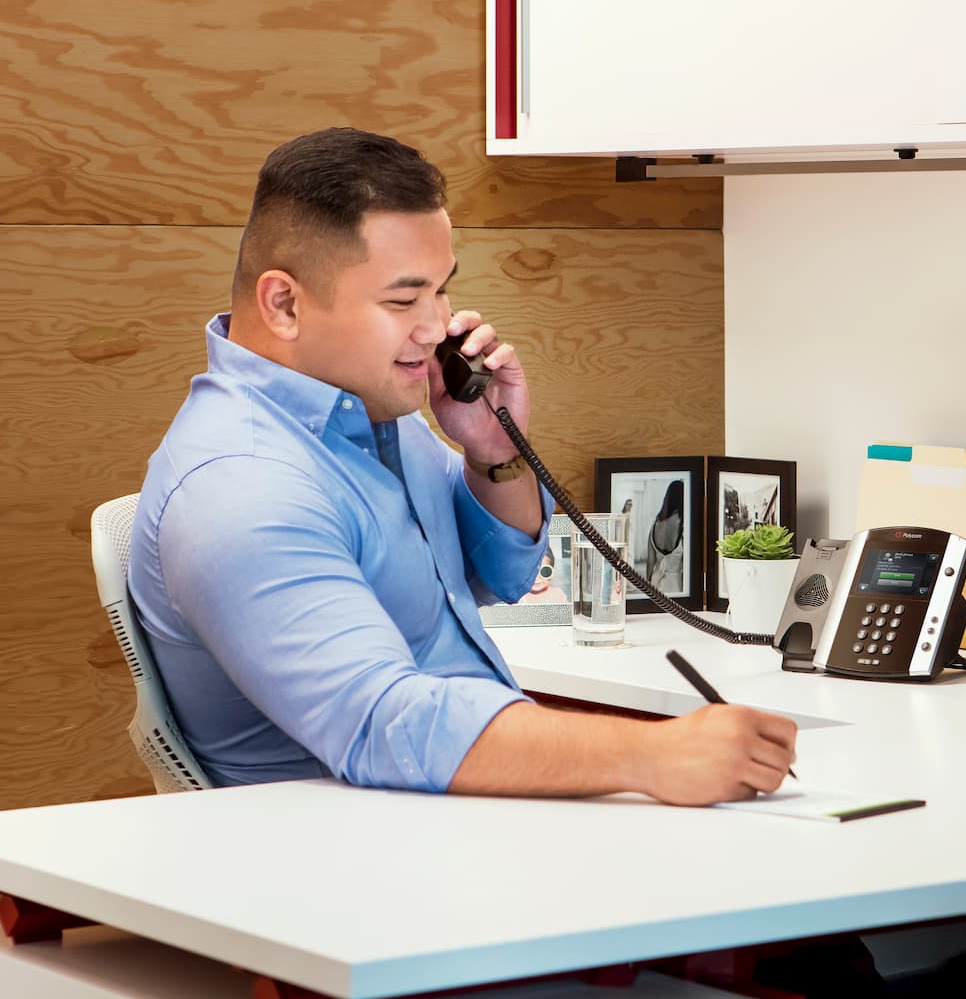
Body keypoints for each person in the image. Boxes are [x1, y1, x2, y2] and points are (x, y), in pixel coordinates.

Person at [128, 127, 795, 803]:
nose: (435, 326)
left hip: (454, 821)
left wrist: (494, 452)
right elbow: (386, 726)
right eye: (402, 300)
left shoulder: (378, 418)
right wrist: (654, 753)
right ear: (285, 304)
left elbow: (496, 576)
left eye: (442, 292)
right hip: (346, 862)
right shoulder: (240, 485)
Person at [645, 479, 686, 594]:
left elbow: (650, 562)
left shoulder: (655, 525)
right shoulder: (683, 525)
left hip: (655, 584)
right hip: (675, 587)